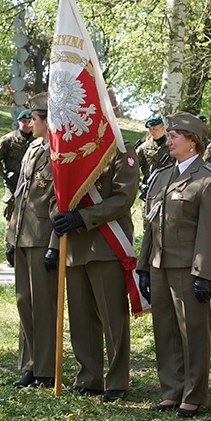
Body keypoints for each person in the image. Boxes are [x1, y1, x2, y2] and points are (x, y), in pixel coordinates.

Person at [137, 112, 211, 418]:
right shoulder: (163, 175)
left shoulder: (209, 178)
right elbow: (152, 224)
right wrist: (144, 266)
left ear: (194, 142)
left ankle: (193, 395)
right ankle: (171, 391)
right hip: (160, 264)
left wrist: (204, 274)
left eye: (176, 135)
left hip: (188, 268)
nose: (169, 140)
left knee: (192, 332)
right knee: (165, 330)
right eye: (170, 135)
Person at [52, 138, 139, 402]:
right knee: (80, 316)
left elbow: (123, 198)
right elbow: (57, 195)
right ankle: (88, 377)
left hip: (106, 244)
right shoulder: (69, 148)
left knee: (113, 317)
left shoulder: (121, 149)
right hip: (76, 244)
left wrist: (83, 217)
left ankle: (116, 381)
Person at [5, 92, 60, 388]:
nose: (29, 122)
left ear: (46, 120)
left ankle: (46, 367)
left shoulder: (58, 154)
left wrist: (54, 245)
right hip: (23, 236)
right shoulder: (32, 149)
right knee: (24, 302)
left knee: (43, 306)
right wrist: (11, 237)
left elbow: (59, 203)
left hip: (41, 239)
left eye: (34, 118)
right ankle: (29, 364)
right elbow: (20, 196)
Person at [0, 109, 34, 265]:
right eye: (24, 121)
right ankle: (10, 250)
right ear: (18, 122)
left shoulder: (38, 140)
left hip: (33, 185)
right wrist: (5, 174)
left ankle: (27, 250)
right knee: (11, 216)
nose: (28, 124)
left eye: (30, 121)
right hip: (13, 186)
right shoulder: (8, 139)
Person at [136, 116, 169, 189]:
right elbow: (132, 168)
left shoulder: (172, 146)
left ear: (162, 128)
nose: (152, 132)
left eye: (154, 129)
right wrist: (140, 185)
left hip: (168, 185)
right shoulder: (144, 147)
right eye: (150, 129)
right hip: (149, 185)